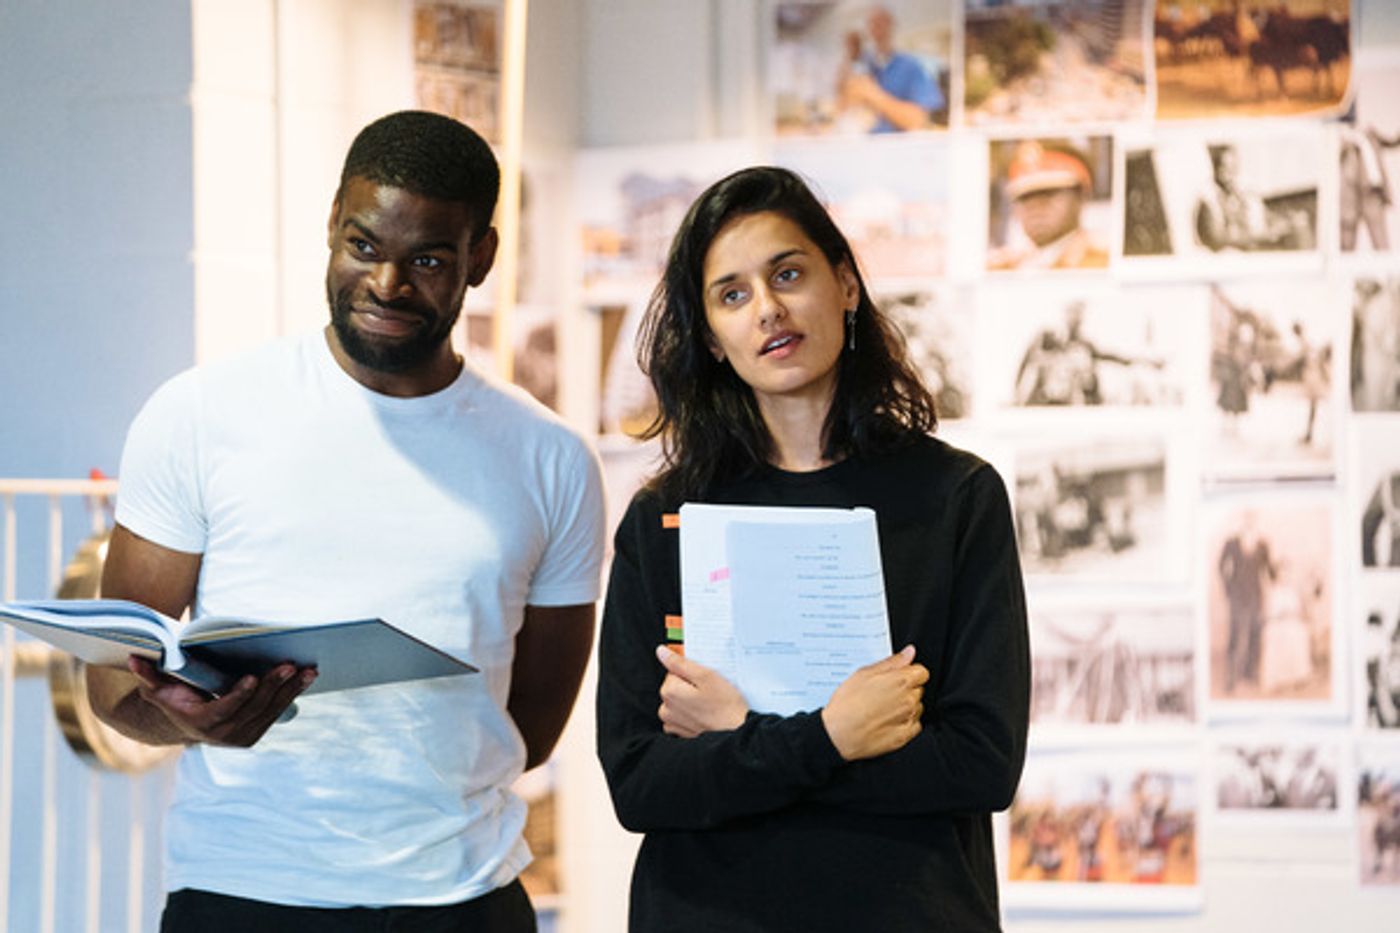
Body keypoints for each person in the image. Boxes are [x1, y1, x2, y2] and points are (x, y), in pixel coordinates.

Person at [85, 110, 606, 932]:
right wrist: (188, 720)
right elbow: (114, 680)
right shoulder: (199, 415)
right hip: (244, 892)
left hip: (462, 899)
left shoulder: (552, 458)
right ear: (332, 222)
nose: (388, 284)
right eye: (364, 245)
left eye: (427, 259)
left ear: (481, 258)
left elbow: (532, 728)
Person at [595, 166, 1030, 932]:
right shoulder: (665, 518)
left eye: (788, 274)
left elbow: (980, 764)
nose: (767, 307)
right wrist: (832, 734)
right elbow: (640, 782)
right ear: (711, 337)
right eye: (732, 294)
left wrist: (739, 734)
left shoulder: (956, 498)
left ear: (846, 284)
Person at [988, 141, 1109, 271]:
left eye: (1048, 193)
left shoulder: (1105, 264)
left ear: (1081, 197)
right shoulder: (1005, 267)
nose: (1034, 205)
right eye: (1025, 197)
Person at [836, 5, 945, 133]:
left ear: (891, 26)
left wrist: (873, 95)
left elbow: (918, 120)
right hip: (864, 141)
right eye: (872, 24)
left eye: (881, 24)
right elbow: (842, 106)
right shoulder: (863, 63)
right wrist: (850, 54)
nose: (876, 30)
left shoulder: (911, 66)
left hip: (897, 143)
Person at [1218, 511, 1276, 695]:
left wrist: (1282, 571)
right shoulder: (1232, 542)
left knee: (1255, 636)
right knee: (1235, 636)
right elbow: (1221, 565)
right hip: (1237, 597)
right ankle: (1230, 678)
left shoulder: (1263, 544)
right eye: (1246, 519)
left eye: (1252, 520)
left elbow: (1270, 571)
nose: (1249, 523)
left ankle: (1250, 674)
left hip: (1256, 597)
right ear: (1242, 521)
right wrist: (1228, 588)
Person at [1194, 143, 1291, 252]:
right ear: (1214, 169)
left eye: (1233, 168)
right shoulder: (1208, 200)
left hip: (1255, 248)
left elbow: (1265, 216)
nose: (1229, 175)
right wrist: (1261, 237)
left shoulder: (1242, 193)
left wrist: (1279, 223)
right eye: (1223, 168)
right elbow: (1216, 240)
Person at [1339, 116, 1400, 251]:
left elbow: (1392, 142)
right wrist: (1346, 139)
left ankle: (1384, 266)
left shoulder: (1369, 134)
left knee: (1381, 244)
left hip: (1372, 193)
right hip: (1351, 197)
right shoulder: (1340, 137)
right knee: (1347, 246)